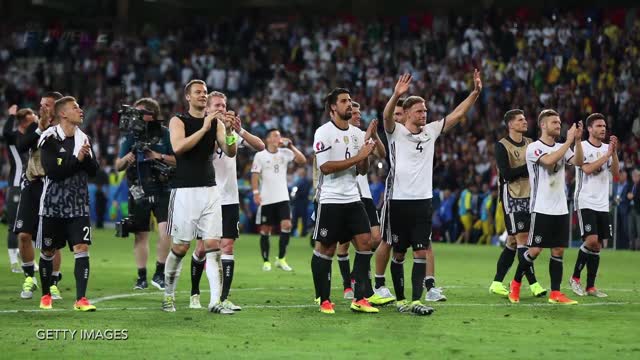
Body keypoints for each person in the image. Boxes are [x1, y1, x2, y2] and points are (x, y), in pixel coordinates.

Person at [381, 70, 481, 313]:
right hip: (398, 201)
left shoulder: (431, 131)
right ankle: (401, 300)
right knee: (399, 252)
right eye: (419, 111)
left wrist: (475, 93)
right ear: (406, 114)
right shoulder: (395, 132)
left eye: (425, 110)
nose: (424, 114)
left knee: (421, 251)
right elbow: (386, 116)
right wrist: (396, 95)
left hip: (423, 202)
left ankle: (416, 300)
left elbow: (457, 115)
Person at [161, 79, 237, 314]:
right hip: (184, 191)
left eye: (205, 92)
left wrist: (231, 132)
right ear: (188, 97)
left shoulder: (217, 124)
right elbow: (179, 147)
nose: (203, 95)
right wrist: (204, 128)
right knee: (181, 247)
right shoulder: (178, 120)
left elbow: (230, 150)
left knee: (213, 245)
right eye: (198, 92)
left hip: (210, 190)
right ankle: (168, 294)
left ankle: (216, 301)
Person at [189, 91, 264, 311]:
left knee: (228, 246)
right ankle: (194, 293)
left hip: (230, 198)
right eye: (217, 105)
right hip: (205, 196)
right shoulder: (201, 129)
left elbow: (260, 146)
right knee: (202, 248)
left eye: (224, 105)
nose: (222, 109)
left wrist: (238, 129)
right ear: (208, 108)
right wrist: (216, 128)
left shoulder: (231, 131)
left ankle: (223, 297)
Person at [311, 87, 378, 314]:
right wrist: (359, 156)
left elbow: (361, 170)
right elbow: (325, 167)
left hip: (353, 197)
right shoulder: (323, 132)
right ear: (333, 107)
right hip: (330, 199)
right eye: (343, 101)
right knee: (326, 250)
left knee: (365, 242)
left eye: (350, 101)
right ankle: (324, 299)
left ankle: (359, 298)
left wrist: (366, 154)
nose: (349, 104)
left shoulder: (358, 134)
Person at [511, 109, 584, 304]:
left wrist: (576, 141)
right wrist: (569, 142)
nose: (559, 126)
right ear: (543, 125)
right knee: (534, 250)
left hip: (560, 207)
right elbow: (549, 161)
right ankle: (515, 284)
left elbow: (579, 162)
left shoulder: (563, 146)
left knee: (558, 250)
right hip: (541, 207)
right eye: (555, 123)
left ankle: (555, 293)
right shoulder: (534, 147)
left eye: (560, 123)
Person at [37, 96, 99, 311]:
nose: (80, 111)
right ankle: (46, 295)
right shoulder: (49, 137)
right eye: (75, 108)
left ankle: (81, 299)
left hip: (78, 205)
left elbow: (95, 171)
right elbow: (53, 172)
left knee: (82, 248)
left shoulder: (84, 138)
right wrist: (78, 161)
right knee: (47, 250)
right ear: (63, 113)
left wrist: (86, 159)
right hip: (53, 205)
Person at [333, 101, 394, 306]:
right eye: (355, 112)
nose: (358, 115)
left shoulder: (361, 134)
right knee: (344, 244)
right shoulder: (340, 135)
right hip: (345, 194)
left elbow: (383, 155)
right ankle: (350, 286)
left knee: (375, 238)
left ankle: (356, 276)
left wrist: (373, 136)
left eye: (359, 112)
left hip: (364, 194)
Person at [114, 97, 176, 291]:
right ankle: (141, 276)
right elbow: (118, 166)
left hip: (163, 187)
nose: (136, 118)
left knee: (166, 230)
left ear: (151, 114)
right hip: (138, 188)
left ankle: (159, 271)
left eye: (140, 113)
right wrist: (130, 156)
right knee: (140, 234)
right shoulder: (131, 136)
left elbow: (177, 160)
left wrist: (157, 156)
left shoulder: (165, 134)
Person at [489, 109, 546, 298]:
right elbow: (506, 174)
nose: (525, 121)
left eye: (524, 118)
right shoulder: (501, 146)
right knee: (523, 239)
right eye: (520, 120)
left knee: (513, 241)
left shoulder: (531, 143)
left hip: (530, 196)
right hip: (512, 197)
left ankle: (497, 282)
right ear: (510, 124)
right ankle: (534, 284)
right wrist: (530, 166)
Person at [14, 92, 65, 300]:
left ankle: (52, 282)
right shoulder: (32, 126)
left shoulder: (65, 128)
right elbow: (21, 146)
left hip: (53, 186)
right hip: (32, 184)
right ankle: (29, 277)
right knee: (24, 235)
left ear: (58, 108)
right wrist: (40, 127)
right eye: (41, 104)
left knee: (51, 240)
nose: (42, 108)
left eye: (48, 105)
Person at [570, 113, 619, 297]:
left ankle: (590, 287)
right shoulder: (581, 146)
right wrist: (607, 155)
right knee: (590, 240)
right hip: (585, 200)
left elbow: (615, 173)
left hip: (602, 203)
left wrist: (613, 153)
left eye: (604, 125)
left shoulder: (608, 148)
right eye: (598, 125)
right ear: (590, 129)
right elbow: (587, 168)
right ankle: (575, 278)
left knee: (598, 245)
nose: (603, 128)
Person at [252, 128, 306, 271]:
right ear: (268, 139)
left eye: (279, 136)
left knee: (287, 225)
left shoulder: (285, 153)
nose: (278, 138)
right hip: (267, 198)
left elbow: (302, 160)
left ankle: (281, 259)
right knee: (265, 229)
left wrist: (291, 146)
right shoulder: (260, 155)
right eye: (275, 135)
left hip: (283, 197)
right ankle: (266, 261)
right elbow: (255, 175)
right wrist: (255, 192)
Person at [2, 105, 31, 272]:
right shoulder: (13, 137)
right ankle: (14, 261)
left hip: (28, 186)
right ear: (23, 121)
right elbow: (5, 133)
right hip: (15, 186)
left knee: (28, 226)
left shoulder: (30, 139)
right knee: (13, 225)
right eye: (30, 117)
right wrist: (11, 115)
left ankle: (26, 256)